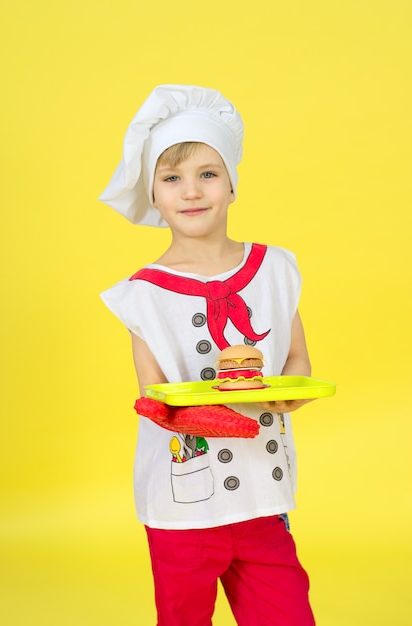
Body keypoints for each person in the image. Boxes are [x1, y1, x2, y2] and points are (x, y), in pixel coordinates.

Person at [100, 85, 316, 625]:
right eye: (171, 179)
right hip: (182, 508)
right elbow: (153, 395)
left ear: (232, 184)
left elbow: (297, 363)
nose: (191, 192)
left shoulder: (275, 271)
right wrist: (192, 409)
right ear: (153, 195)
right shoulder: (143, 294)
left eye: (207, 173)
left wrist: (289, 395)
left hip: (263, 500)